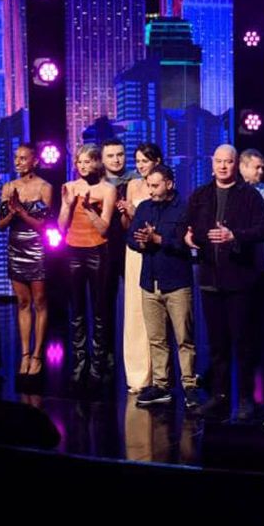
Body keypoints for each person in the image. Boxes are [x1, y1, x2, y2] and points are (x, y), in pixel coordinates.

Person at [185, 145, 264, 421]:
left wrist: (235, 236)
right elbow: (187, 227)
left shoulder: (250, 196)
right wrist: (188, 238)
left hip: (239, 280)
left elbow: (263, 230)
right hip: (209, 278)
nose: (223, 166)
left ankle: (245, 398)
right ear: (212, 164)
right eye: (219, 161)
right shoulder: (201, 195)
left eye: (228, 162)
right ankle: (219, 397)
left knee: (243, 343)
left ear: (236, 164)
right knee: (217, 345)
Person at [129, 164, 199, 409]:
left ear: (169, 184)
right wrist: (141, 241)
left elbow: (184, 244)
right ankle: (161, 385)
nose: (151, 190)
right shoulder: (145, 208)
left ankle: (190, 385)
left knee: (184, 338)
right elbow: (131, 238)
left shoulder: (184, 208)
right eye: (149, 185)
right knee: (156, 338)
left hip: (177, 282)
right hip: (150, 282)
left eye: (155, 185)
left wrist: (157, 239)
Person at [60, 144, 117, 385]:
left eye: (88, 161)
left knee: (100, 310)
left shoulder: (108, 189)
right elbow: (61, 226)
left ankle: (98, 363)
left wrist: (89, 210)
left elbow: (104, 228)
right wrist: (67, 204)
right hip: (73, 250)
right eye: (79, 162)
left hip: (97, 251)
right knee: (77, 310)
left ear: (97, 163)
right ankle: (79, 361)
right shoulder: (70, 187)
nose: (83, 166)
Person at [0, 144, 53, 377]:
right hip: (15, 248)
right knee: (22, 302)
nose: (18, 162)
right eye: (16, 158)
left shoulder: (45, 187)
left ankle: (38, 355)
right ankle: (25, 355)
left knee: (39, 301)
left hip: (37, 248)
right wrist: (11, 211)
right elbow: (0, 225)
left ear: (34, 161)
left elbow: (43, 226)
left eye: (23, 158)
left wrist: (21, 211)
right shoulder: (9, 187)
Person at [115, 143, 161, 394]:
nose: (141, 165)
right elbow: (126, 225)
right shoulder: (132, 185)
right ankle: (137, 375)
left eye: (145, 161)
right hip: (133, 251)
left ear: (157, 161)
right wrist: (127, 213)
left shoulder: (162, 184)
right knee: (134, 311)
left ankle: (159, 375)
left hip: (154, 249)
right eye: (138, 161)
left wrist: (138, 214)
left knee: (154, 310)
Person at [240, 147, 264, 403]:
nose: (261, 171)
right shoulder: (231, 189)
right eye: (256, 167)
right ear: (243, 167)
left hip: (257, 260)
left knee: (256, 315)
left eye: (263, 167)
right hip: (231, 262)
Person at [102, 138, 140, 385]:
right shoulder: (98, 182)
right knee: (105, 302)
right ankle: (106, 353)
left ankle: (137, 354)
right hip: (105, 248)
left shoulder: (136, 180)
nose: (116, 160)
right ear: (102, 159)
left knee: (136, 303)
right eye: (111, 155)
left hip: (132, 246)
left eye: (120, 154)